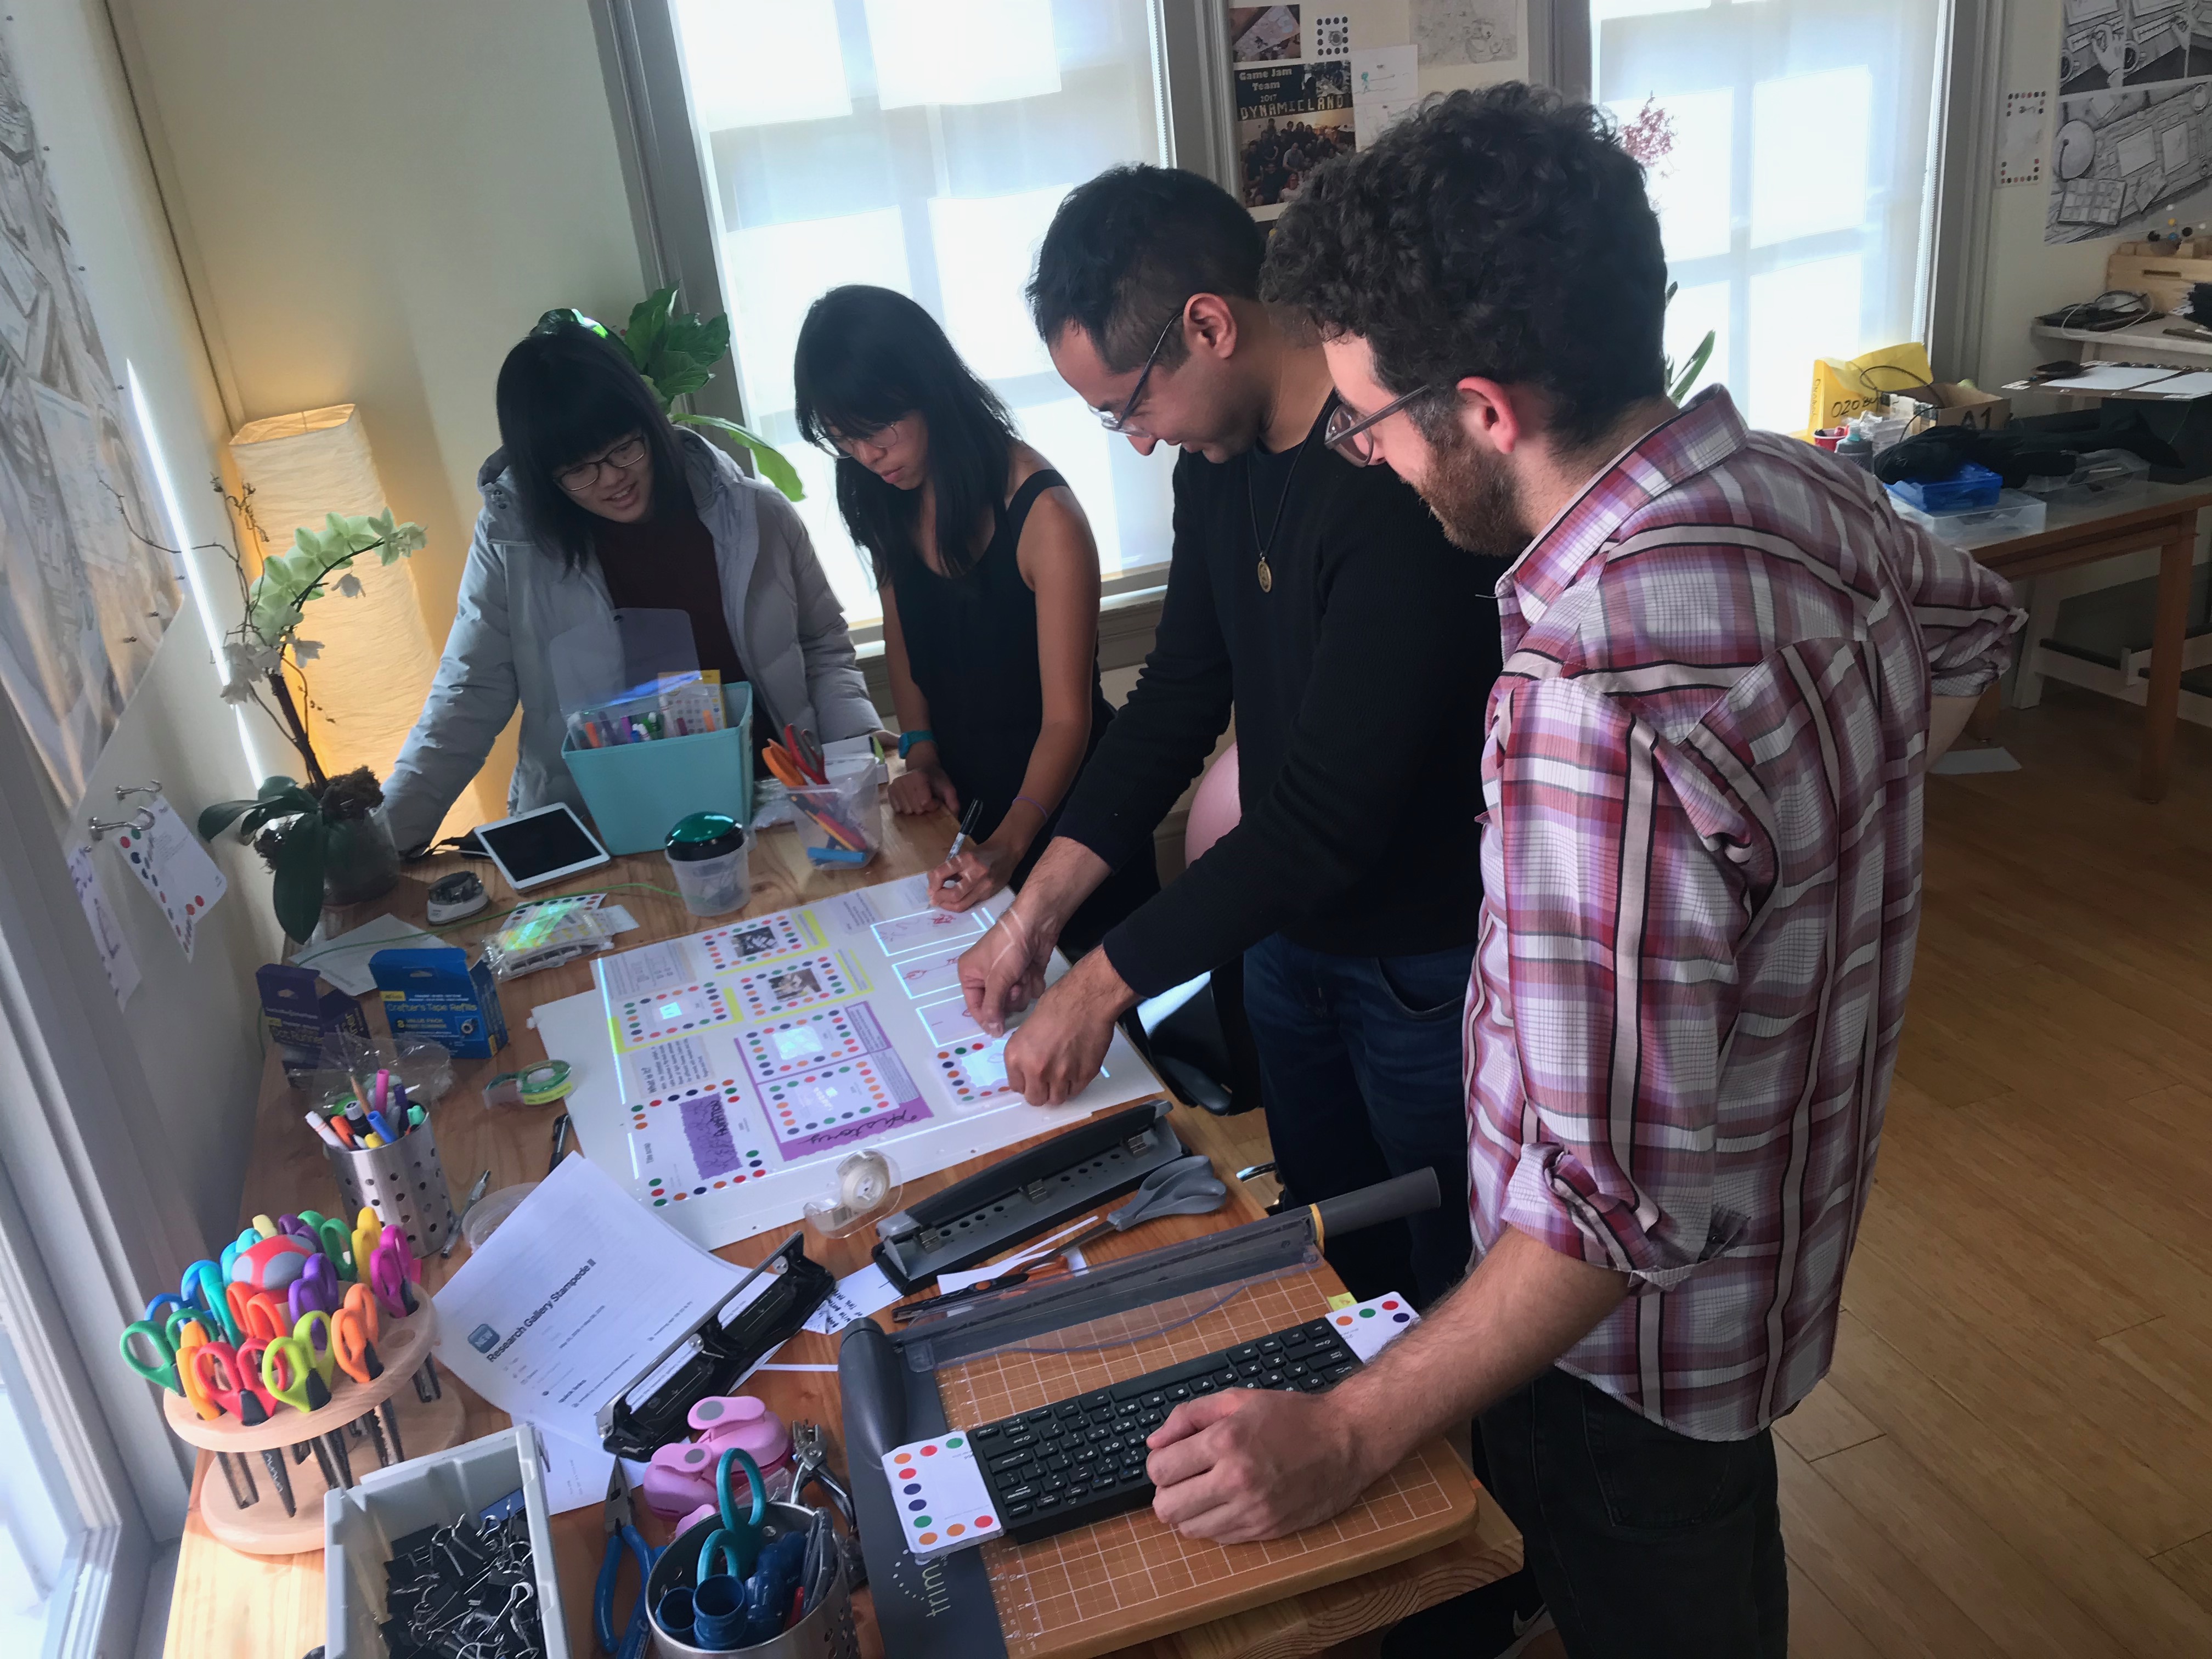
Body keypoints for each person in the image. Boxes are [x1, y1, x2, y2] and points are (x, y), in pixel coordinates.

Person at [1136, 86, 2024, 1658]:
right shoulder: (1801, 495)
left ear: (1483, 410)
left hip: (1619, 1359)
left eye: (1372, 420)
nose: (1364, 453)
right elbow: (1978, 635)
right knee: (1711, 1553)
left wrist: (1347, 1435)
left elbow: (1600, 1219)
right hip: (1772, 1260)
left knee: (1662, 1589)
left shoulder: (1586, 695)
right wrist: (1815, 847)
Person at [956, 164, 1503, 1313]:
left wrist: (1101, 985)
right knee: (1329, 1251)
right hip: (1284, 945)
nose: (1138, 442)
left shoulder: (1395, 475)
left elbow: (1320, 820)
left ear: (1207, 325)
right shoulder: (1222, 464)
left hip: (1420, 960)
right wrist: (1034, 916)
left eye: (1129, 407)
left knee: (1449, 1274)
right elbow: (1175, 699)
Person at [382, 320, 879, 855]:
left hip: (774, 810)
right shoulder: (514, 549)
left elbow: (824, 644)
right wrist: (382, 844)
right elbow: (465, 699)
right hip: (600, 834)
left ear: (652, 423)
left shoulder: (754, 514)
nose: (612, 478)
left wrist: (852, 767)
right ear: (544, 478)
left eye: (624, 448)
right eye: (579, 470)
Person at [791, 285, 1158, 951]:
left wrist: (1011, 844)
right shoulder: (882, 493)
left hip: (1066, 819)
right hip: (967, 817)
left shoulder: (1044, 516)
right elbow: (905, 637)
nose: (869, 456)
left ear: (926, 385)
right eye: (846, 441)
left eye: (877, 429)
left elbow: (1068, 720)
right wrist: (921, 750)